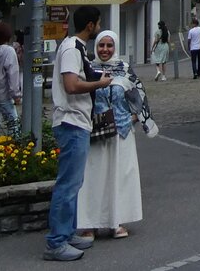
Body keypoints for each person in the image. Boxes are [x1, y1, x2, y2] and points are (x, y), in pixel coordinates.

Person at [45, 6, 114, 262]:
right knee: (68, 184)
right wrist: (100, 83)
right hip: (72, 122)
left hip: (77, 122)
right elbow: (71, 85)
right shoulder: (73, 49)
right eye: (97, 23)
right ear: (90, 25)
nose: (98, 27)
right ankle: (56, 242)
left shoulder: (75, 47)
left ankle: (68, 233)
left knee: (74, 183)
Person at [76, 29, 153, 241]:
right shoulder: (87, 69)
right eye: (101, 45)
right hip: (96, 132)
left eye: (109, 46)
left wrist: (133, 119)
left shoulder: (125, 70)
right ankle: (89, 224)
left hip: (121, 133)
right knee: (93, 178)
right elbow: (80, 97)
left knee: (119, 177)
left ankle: (116, 221)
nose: (105, 50)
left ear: (115, 47)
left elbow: (139, 98)